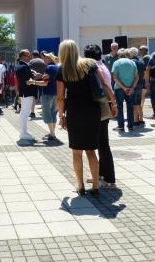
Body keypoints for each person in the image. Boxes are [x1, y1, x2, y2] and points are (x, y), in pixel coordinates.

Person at [56, 40, 104, 196]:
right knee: (91, 151)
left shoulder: (63, 70)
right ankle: (96, 186)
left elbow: (60, 97)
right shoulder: (89, 64)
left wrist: (61, 115)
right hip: (92, 110)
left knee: (76, 152)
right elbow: (101, 84)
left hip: (75, 112)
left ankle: (81, 186)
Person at [84, 44, 117, 187]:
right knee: (102, 143)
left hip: (99, 106)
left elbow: (104, 85)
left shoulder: (93, 68)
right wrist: (114, 104)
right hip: (106, 104)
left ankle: (108, 178)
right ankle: (100, 175)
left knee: (102, 144)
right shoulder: (103, 66)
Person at [27, 52, 59, 140]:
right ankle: (52, 132)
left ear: (49, 59)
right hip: (56, 93)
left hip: (48, 93)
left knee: (47, 114)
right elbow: (50, 79)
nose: (43, 58)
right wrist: (41, 76)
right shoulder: (57, 67)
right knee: (53, 114)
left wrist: (32, 82)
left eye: (45, 57)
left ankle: (52, 134)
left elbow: (45, 83)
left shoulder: (48, 68)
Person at [111, 49, 139, 131]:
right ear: (127, 54)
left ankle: (121, 126)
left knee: (120, 107)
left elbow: (114, 76)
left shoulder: (116, 62)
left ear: (119, 55)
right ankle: (130, 126)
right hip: (130, 88)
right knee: (130, 107)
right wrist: (132, 88)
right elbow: (137, 77)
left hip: (119, 88)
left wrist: (123, 87)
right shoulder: (132, 62)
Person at [15, 50, 38, 140]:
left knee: (23, 112)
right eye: (28, 55)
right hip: (27, 92)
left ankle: (23, 132)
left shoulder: (21, 65)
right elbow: (27, 81)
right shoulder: (23, 66)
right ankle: (23, 133)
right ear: (23, 56)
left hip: (24, 92)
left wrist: (34, 76)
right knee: (25, 113)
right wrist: (35, 78)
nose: (30, 56)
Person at [129, 47, 146, 126]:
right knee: (138, 102)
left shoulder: (130, 62)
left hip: (133, 84)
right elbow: (145, 73)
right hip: (140, 84)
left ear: (131, 54)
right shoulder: (141, 61)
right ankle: (141, 119)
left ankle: (135, 120)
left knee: (133, 103)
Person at [28, 50, 46, 118]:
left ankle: (32, 112)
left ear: (32, 55)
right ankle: (44, 111)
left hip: (34, 81)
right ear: (38, 55)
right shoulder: (43, 61)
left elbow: (28, 71)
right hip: (42, 80)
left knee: (34, 97)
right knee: (42, 95)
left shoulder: (31, 62)